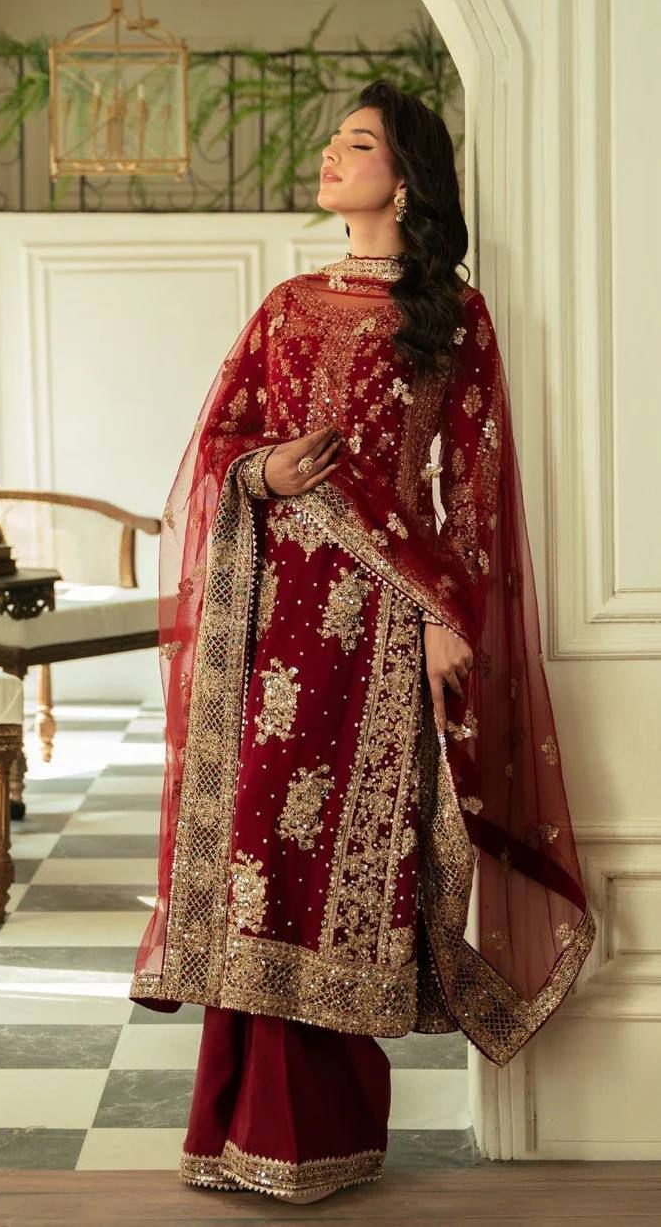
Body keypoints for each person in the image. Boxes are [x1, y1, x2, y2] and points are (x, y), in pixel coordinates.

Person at [128, 78, 595, 1204]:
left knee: (350, 860)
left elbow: (474, 493)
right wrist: (265, 470)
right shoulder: (287, 305)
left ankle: (316, 1132)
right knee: (259, 847)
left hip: (380, 628)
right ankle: (234, 1125)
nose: (332, 156)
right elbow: (222, 441)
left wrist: (445, 619)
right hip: (270, 611)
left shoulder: (453, 315)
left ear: (406, 179)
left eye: (359, 143)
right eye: (333, 141)